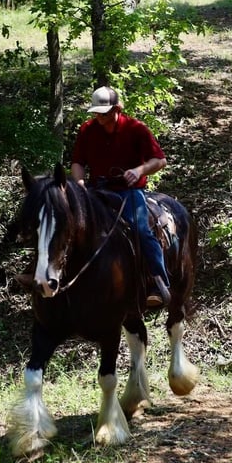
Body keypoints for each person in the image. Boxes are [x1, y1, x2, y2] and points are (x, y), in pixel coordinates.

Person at [71, 86, 171, 307]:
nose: (98, 117)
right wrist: (79, 184)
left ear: (116, 109)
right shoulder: (87, 130)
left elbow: (160, 160)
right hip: (96, 190)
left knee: (140, 229)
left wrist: (139, 171)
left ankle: (158, 281)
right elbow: (78, 162)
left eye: (103, 113)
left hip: (128, 190)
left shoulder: (136, 129)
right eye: (96, 112)